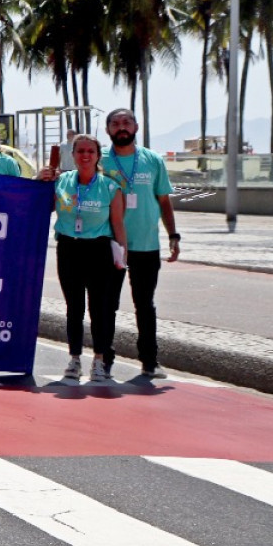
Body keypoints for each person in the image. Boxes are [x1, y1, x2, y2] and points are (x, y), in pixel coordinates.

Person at [99, 108, 179, 378]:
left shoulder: (152, 160)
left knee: (145, 304)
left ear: (136, 127)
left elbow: (164, 201)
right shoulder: (100, 160)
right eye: (115, 123)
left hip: (146, 244)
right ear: (108, 129)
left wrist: (173, 235)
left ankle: (149, 361)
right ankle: (104, 360)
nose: (122, 127)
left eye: (126, 122)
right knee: (107, 303)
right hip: (110, 244)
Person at [48, 132, 129, 383]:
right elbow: (43, 206)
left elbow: (118, 225)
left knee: (99, 309)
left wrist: (121, 259)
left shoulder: (110, 187)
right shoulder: (61, 182)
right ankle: (74, 359)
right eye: (80, 151)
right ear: (72, 155)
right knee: (74, 308)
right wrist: (40, 180)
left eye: (90, 152)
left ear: (97, 156)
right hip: (69, 249)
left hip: (99, 251)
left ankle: (99, 360)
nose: (85, 156)